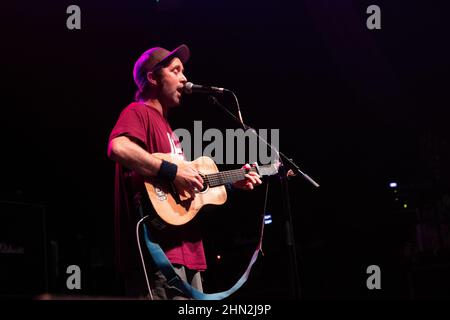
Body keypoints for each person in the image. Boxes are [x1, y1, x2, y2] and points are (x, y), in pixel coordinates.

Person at [107, 44, 262, 299]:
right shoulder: (137, 112)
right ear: (153, 77)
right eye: (176, 70)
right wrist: (173, 172)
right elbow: (119, 148)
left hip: (187, 251)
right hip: (158, 254)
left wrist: (233, 183)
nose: (184, 78)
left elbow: (186, 190)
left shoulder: (168, 128)